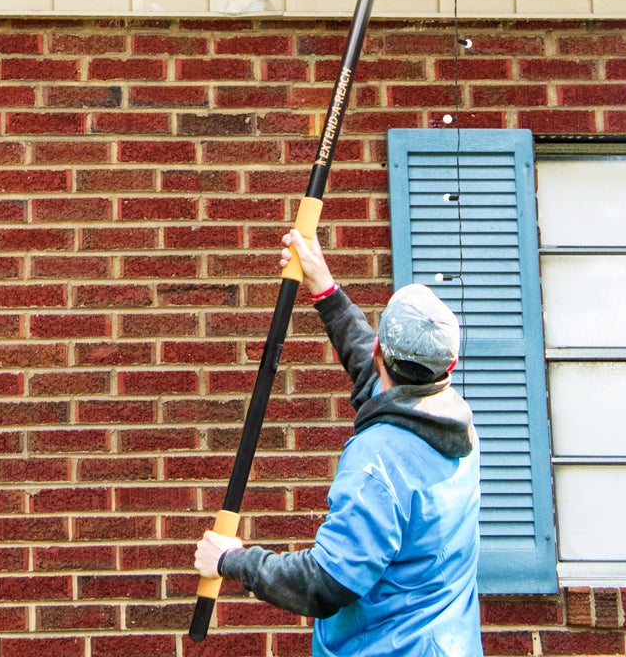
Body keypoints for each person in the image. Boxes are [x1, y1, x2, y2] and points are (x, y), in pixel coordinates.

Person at [194, 229, 481, 657]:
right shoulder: (455, 423)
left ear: (381, 349)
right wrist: (324, 288)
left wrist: (231, 560)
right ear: (449, 364)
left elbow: (327, 582)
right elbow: (375, 373)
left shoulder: (377, 463)